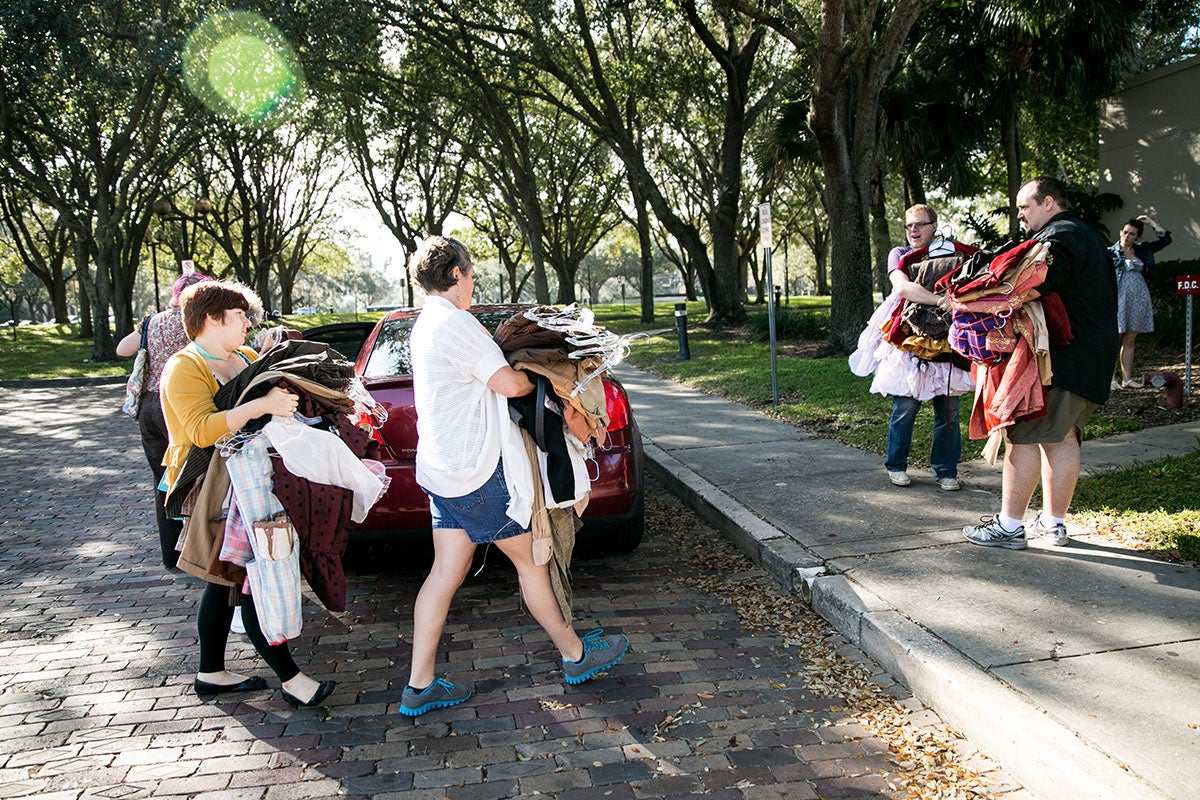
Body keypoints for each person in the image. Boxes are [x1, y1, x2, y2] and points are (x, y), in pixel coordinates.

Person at [400, 235, 627, 717]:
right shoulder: (456, 324)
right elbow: (510, 383)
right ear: (456, 274)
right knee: (533, 563)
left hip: (443, 472)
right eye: (472, 273)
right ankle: (575, 655)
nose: (473, 282)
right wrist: (541, 373)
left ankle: (419, 685)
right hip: (476, 473)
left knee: (444, 573)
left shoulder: (426, 323)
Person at [159, 280, 335, 706]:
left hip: (248, 483)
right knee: (255, 573)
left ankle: (211, 672)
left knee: (227, 580)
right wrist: (261, 404)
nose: (247, 323)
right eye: (239, 316)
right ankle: (292, 681)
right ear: (212, 319)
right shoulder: (184, 367)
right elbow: (202, 431)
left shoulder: (242, 357)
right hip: (212, 489)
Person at [964, 177, 1118, 550]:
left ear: (1048, 202)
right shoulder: (1086, 235)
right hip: (1093, 355)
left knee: (1026, 433)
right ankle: (1053, 523)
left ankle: (1009, 526)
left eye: (1024, 207)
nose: (1020, 215)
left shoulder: (1058, 237)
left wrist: (981, 294)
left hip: (1062, 354)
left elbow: (1030, 285)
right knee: (1062, 436)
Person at [117, 272, 213, 569]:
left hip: (148, 407)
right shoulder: (198, 321)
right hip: (180, 401)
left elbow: (122, 349)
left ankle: (170, 553)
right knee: (199, 475)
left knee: (163, 479)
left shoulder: (151, 321)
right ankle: (200, 550)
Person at [883, 204, 971, 491]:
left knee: (948, 409)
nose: (913, 230)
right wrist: (941, 300)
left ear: (935, 226)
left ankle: (945, 470)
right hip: (912, 336)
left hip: (947, 337)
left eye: (920, 224)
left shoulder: (955, 253)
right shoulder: (899, 255)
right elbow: (903, 288)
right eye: (909, 225)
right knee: (905, 405)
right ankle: (895, 464)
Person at [1109, 215, 1171, 389]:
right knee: (1115, 338)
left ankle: (1127, 379)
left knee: (1129, 339)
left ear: (1137, 237)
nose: (1127, 236)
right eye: (1126, 232)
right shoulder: (1110, 252)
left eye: (1132, 234)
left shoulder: (1142, 251)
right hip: (1119, 298)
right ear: (1121, 232)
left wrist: (1152, 223)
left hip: (1137, 298)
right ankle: (1111, 378)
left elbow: (1165, 240)